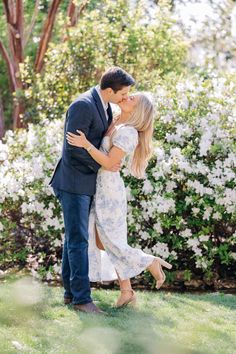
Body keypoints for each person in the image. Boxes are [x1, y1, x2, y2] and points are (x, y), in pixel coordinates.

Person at [66, 92, 172, 308]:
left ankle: (148, 261)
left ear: (138, 110)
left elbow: (108, 163)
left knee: (109, 240)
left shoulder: (129, 133)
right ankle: (127, 290)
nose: (127, 97)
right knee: (102, 240)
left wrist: (85, 144)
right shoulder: (114, 120)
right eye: (127, 95)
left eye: (132, 99)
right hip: (99, 187)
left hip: (109, 191)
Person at [50, 67, 135, 314]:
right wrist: (103, 164)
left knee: (72, 240)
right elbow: (73, 149)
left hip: (85, 183)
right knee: (78, 240)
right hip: (73, 183)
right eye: (124, 93)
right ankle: (82, 299)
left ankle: (70, 294)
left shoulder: (106, 106)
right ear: (110, 90)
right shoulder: (83, 105)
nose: (125, 97)